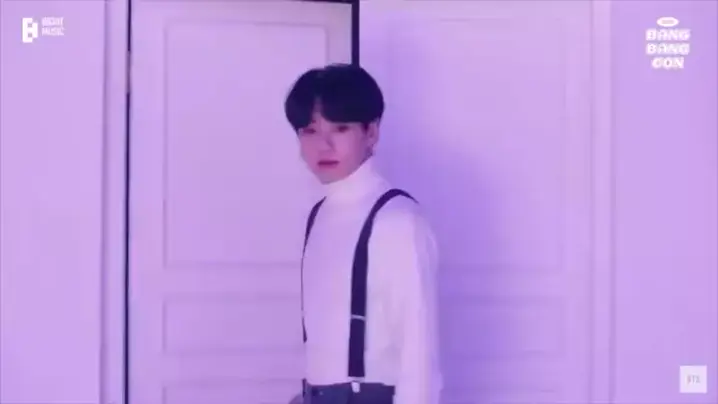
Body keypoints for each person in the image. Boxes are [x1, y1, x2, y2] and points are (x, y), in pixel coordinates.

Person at [283, 63, 442, 404]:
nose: (323, 145)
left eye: (340, 129)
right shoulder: (319, 216)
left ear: (371, 132)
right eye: (310, 131)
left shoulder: (398, 221)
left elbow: (420, 356)